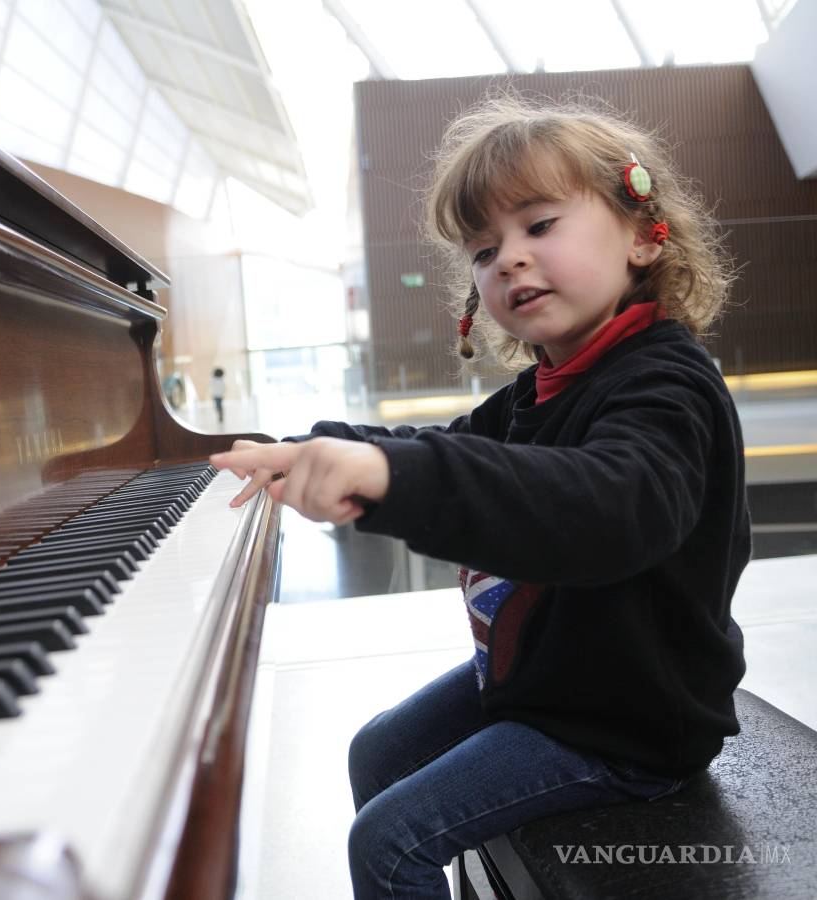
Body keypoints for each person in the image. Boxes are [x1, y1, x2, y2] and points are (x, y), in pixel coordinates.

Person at [210, 95, 749, 899]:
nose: (508, 259)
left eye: (539, 225)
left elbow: (610, 509)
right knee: (375, 753)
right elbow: (457, 446)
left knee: (389, 844)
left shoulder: (666, 381)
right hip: (549, 677)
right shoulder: (546, 386)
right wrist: (313, 444)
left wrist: (392, 479)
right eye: (482, 246)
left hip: (626, 719)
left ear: (643, 234)